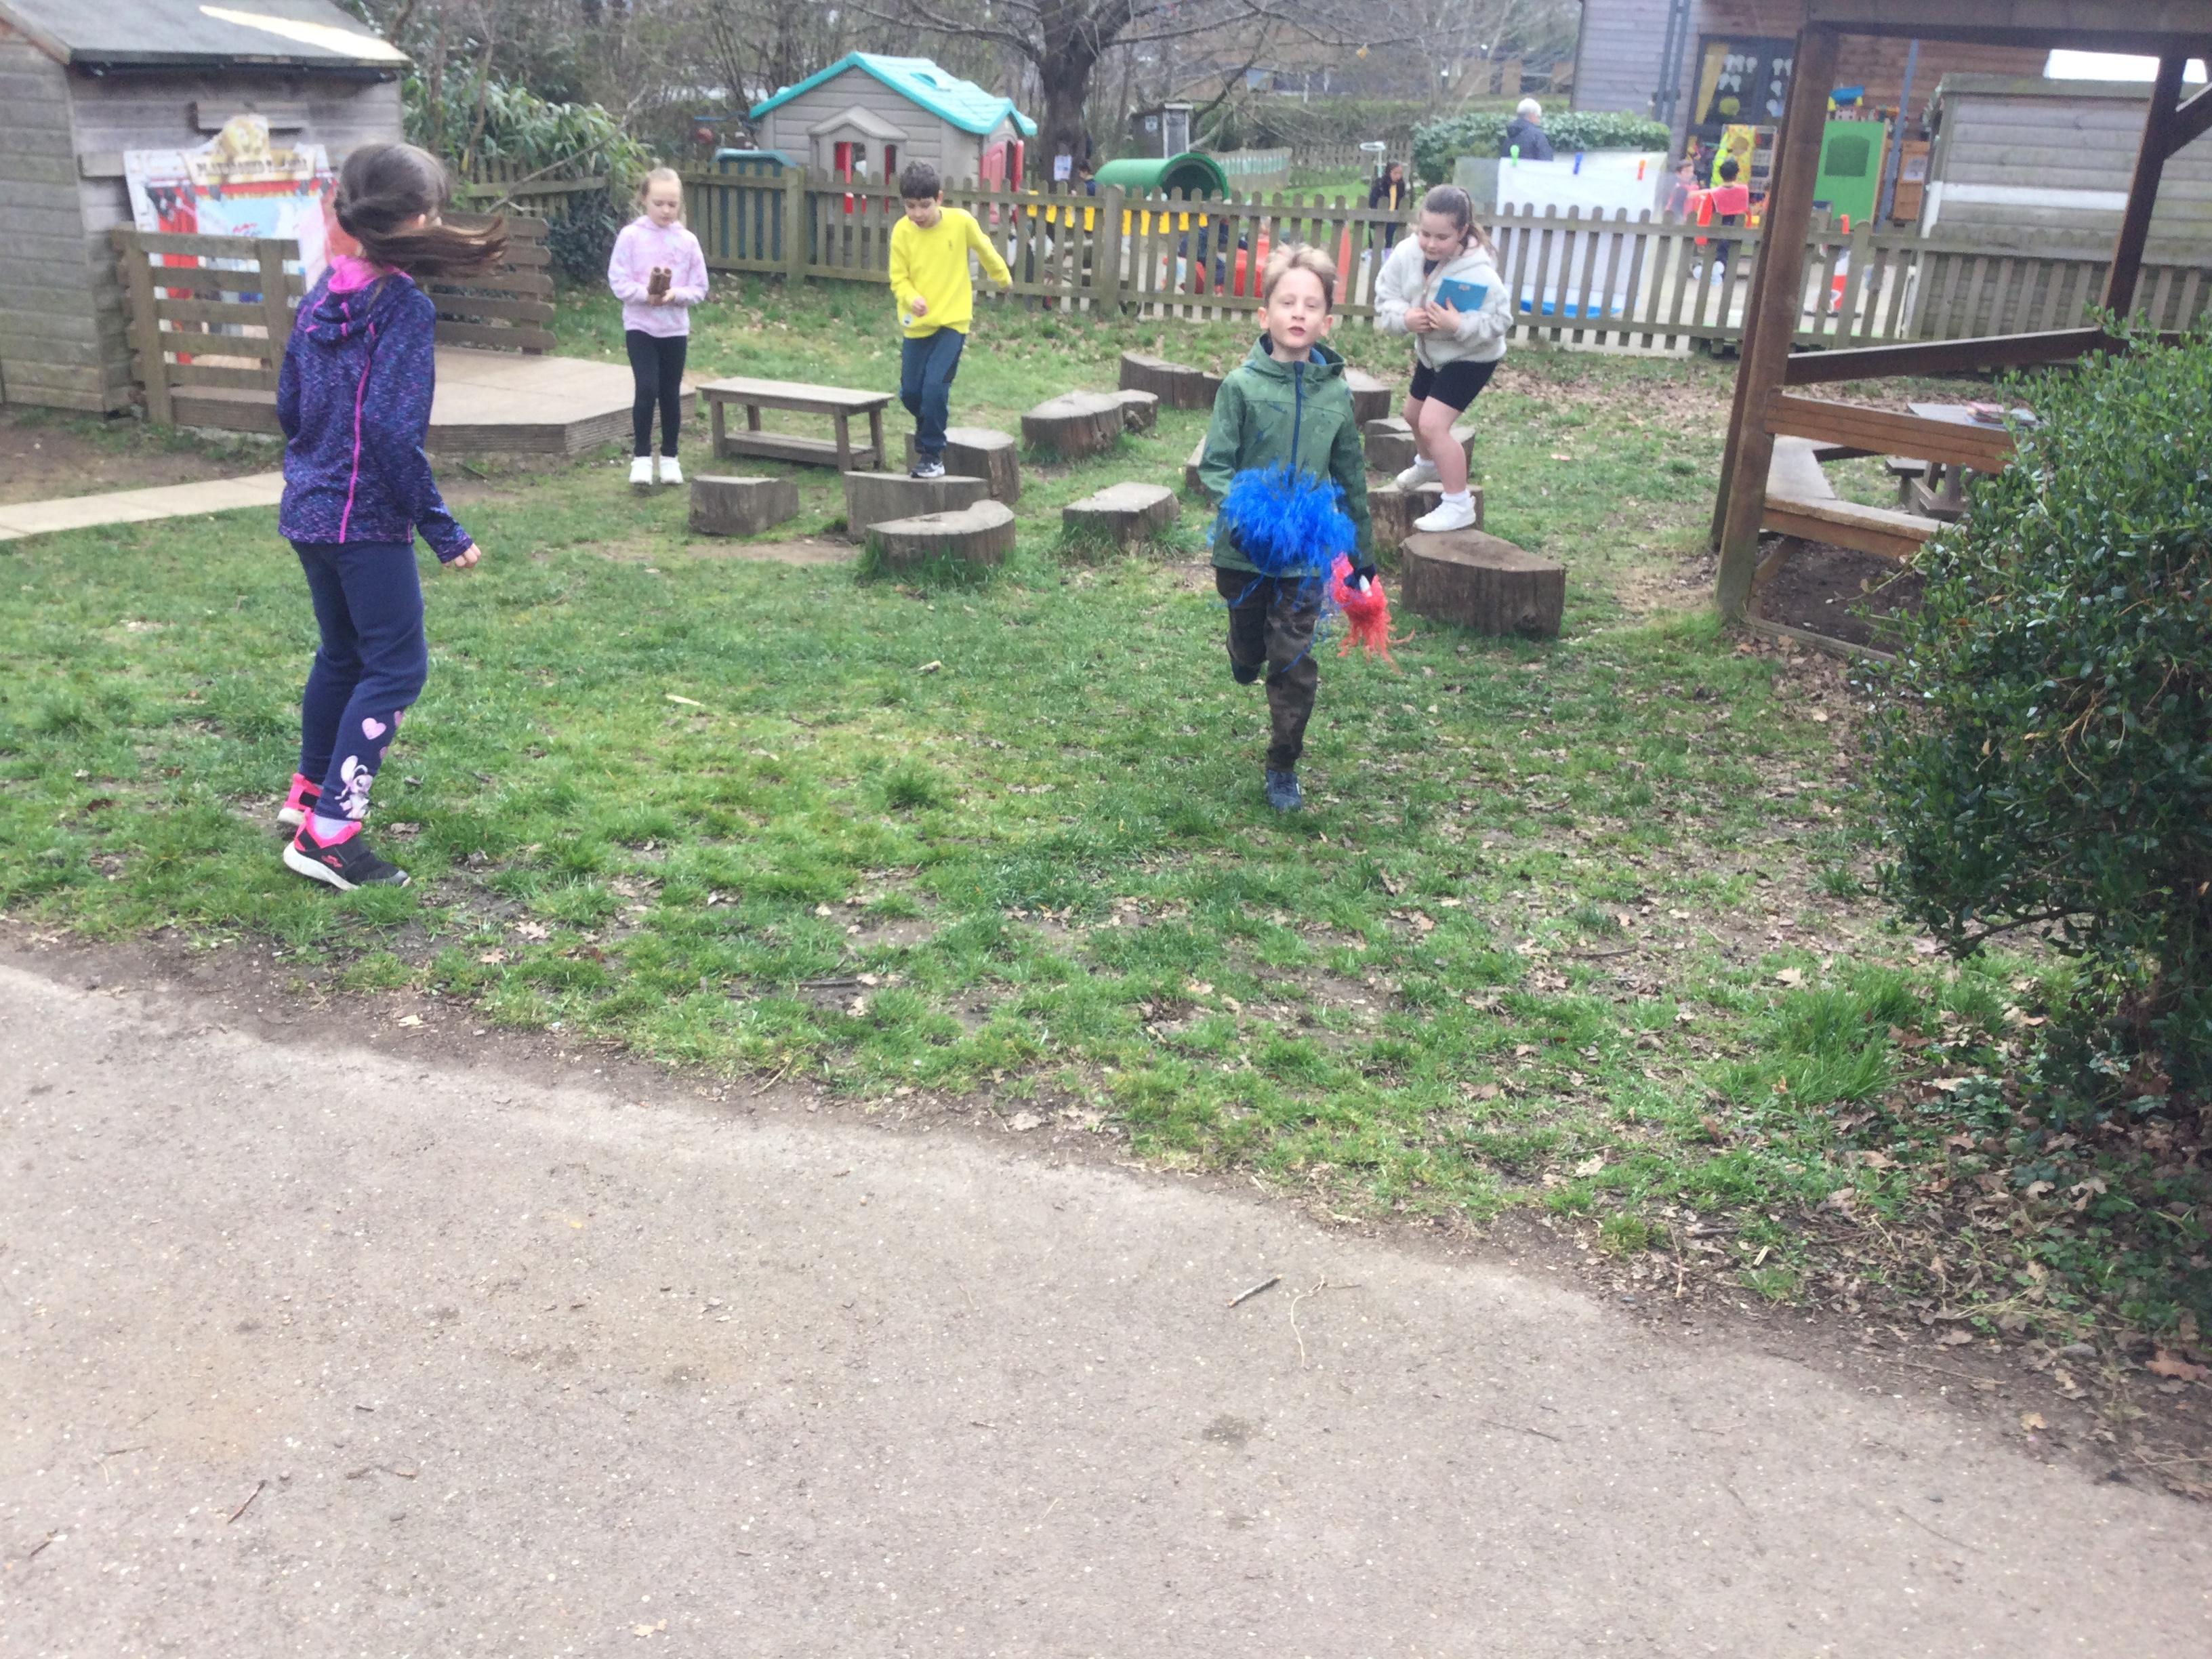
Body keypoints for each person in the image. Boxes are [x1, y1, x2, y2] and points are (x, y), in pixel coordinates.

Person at [274, 142, 507, 890]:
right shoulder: (402, 306)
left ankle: (308, 796)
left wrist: (315, 467)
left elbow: (288, 404)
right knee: (397, 668)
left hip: (309, 510)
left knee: (342, 655)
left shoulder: (323, 293)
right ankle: (330, 836)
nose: (437, 223)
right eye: (431, 212)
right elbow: (389, 429)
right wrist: (442, 528)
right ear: (408, 220)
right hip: (364, 521)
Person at [1197, 245, 1374, 814]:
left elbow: (1350, 475)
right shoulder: (1240, 387)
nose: (1298, 312)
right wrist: (1247, 514)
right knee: (1253, 644)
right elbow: (1214, 465)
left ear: (1327, 320)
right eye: (1287, 302)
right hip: (1243, 554)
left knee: (1294, 655)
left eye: (1311, 305)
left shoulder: (1336, 393)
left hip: (1304, 555)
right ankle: (1242, 650)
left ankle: (1282, 764)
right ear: (1265, 313)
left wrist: (1362, 556)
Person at [1372, 184, 1511, 534]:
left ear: (1462, 231)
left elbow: (1501, 322)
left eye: (1442, 237)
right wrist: (1405, 318)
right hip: (1433, 354)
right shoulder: (1407, 254)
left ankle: (1458, 504)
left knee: (1434, 425)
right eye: (1425, 233)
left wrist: (1458, 325)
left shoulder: (1479, 272)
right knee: (1412, 415)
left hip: (1472, 357)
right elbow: (1385, 297)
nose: (1431, 244)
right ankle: (1428, 464)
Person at [888, 161, 1012, 478]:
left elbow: (984, 248)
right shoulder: (902, 231)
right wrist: (910, 298)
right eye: (910, 206)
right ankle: (931, 422)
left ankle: (932, 455)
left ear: (939, 199)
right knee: (911, 394)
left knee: (934, 388)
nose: (917, 213)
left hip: (953, 321)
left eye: (924, 205)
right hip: (917, 325)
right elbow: (898, 278)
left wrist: (1003, 277)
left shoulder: (961, 222)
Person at [608, 166, 708, 487]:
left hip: (674, 330)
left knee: (669, 393)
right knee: (647, 387)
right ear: (644, 200)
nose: (666, 210)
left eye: (672, 204)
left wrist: (675, 295)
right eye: (659, 203)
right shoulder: (631, 237)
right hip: (640, 327)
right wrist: (645, 295)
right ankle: (640, 458)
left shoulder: (688, 241)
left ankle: (670, 458)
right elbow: (618, 280)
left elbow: (700, 287)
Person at [1692, 156, 1753, 281]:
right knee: (1731, 254)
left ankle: (1716, 271)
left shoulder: (1713, 193)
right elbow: (1747, 211)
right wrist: (1747, 227)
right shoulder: (1744, 190)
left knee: (1719, 252)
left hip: (1717, 229)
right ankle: (1720, 271)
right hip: (1737, 227)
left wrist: (1701, 237)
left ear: (1720, 175)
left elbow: (1705, 214)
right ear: (1736, 174)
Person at [1367, 159, 1410, 251]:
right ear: (1389, 172)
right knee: (1376, 240)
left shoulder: (1401, 185)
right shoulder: (1380, 184)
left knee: (1390, 240)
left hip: (1394, 217)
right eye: (1395, 173)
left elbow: (1402, 200)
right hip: (1379, 217)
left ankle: (1388, 254)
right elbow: (1372, 201)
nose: (1398, 176)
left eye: (1400, 173)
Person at [1500, 97, 1554, 162]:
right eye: (1538, 116)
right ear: (1532, 115)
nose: (1538, 120)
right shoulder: (1537, 136)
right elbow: (1546, 162)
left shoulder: (1509, 135)